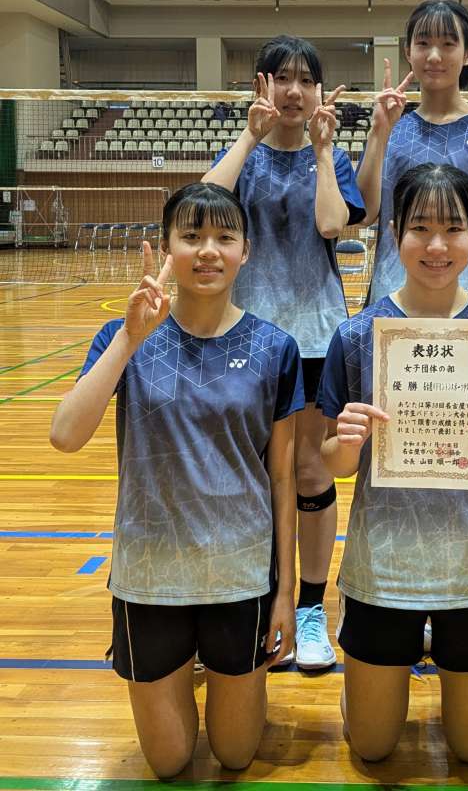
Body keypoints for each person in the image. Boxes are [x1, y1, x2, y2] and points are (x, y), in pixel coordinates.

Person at [49, 183, 305, 778]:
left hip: (240, 573)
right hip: (150, 575)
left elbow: (282, 477)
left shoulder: (276, 348)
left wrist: (287, 593)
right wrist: (129, 338)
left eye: (224, 237)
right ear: (167, 248)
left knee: (236, 754)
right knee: (167, 762)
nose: (208, 250)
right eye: (191, 236)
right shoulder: (125, 335)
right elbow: (65, 434)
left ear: (246, 250)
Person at [319, 163, 468, 762]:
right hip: (382, 563)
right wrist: (346, 441)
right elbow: (334, 465)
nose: (437, 246)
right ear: (396, 234)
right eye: (420, 228)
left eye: (453, 228)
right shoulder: (357, 336)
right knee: (371, 748)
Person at [203, 35, 366, 670]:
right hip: (244, 339)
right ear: (261, 86)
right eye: (281, 77)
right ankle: (247, 600)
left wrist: (322, 152)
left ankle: (310, 610)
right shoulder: (242, 154)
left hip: (317, 338)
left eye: (305, 79)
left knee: (310, 473)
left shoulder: (334, 158)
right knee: (246, 473)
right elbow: (203, 207)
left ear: (319, 91)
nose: (294, 90)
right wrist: (250, 137)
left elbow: (332, 224)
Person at [356, 0, 468, 312]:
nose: (434, 56)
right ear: (408, 52)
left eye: (448, 44)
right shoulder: (390, 130)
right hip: (394, 297)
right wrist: (378, 134)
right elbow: (366, 214)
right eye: (423, 43)